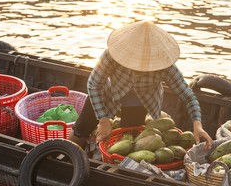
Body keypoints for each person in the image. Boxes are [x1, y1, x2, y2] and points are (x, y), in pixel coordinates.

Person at [69, 20, 212, 151]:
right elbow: (94, 84)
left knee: (128, 142)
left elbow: (188, 96)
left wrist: (197, 125)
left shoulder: (165, 66)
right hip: (109, 93)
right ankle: (68, 155)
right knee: (81, 128)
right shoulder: (112, 54)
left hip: (140, 102)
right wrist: (104, 119)